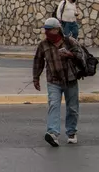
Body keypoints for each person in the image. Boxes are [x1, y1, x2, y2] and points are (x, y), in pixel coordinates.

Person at [33, 17, 85, 147]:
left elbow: (82, 58)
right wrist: (36, 77)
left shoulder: (70, 42)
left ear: (57, 30)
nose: (47, 33)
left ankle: (71, 132)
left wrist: (70, 55)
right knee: (54, 105)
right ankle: (53, 133)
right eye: (46, 30)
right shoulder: (43, 45)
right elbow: (38, 61)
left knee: (72, 108)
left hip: (71, 79)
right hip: (53, 81)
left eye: (49, 30)